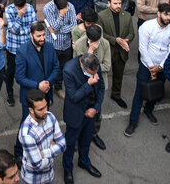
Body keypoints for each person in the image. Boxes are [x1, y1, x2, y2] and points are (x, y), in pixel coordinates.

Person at [125, 3, 170, 136]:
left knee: (156, 90)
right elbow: (143, 48)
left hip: (162, 67)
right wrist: (151, 67)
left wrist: (160, 67)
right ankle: (133, 120)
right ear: (158, 13)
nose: (169, 18)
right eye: (166, 14)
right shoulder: (147, 26)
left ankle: (149, 110)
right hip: (146, 66)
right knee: (139, 94)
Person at [14, 22, 60, 156]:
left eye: (44, 35)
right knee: (26, 126)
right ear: (31, 35)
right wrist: (37, 85)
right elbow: (20, 77)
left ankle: (39, 145)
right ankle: (18, 152)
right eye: (38, 36)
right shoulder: (23, 51)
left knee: (42, 121)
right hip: (29, 97)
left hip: (46, 94)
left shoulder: (50, 47)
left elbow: (56, 67)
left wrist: (48, 83)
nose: (42, 38)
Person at [62, 53, 104, 184]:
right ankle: (68, 169)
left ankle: (84, 162)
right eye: (91, 73)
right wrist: (89, 84)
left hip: (91, 113)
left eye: (95, 72)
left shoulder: (95, 64)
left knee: (86, 141)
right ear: (82, 65)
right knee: (70, 144)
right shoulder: (69, 70)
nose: (95, 75)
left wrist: (95, 109)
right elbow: (73, 96)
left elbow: (101, 88)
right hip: (76, 114)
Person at [18, 89, 66, 184]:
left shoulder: (50, 116)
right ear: (31, 110)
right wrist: (54, 149)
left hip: (49, 176)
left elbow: (63, 144)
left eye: (46, 106)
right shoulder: (27, 134)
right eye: (40, 109)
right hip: (33, 180)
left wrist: (43, 153)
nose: (45, 111)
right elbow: (38, 165)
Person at [97, 0, 135, 109]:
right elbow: (100, 34)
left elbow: (131, 33)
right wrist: (116, 40)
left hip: (121, 52)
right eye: (115, 3)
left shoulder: (127, 15)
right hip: (107, 52)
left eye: (120, 3)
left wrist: (126, 40)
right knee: (101, 75)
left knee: (118, 76)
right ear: (109, 3)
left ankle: (116, 95)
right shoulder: (101, 16)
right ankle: (97, 96)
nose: (118, 6)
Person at [5, 0, 38, 107]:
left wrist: (19, 31)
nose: (20, 10)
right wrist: (19, 16)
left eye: (22, 8)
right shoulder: (9, 10)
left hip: (27, 47)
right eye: (18, 8)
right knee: (10, 72)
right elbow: (14, 30)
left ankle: (30, 94)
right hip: (13, 48)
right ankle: (10, 93)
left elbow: (34, 27)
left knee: (29, 71)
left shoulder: (30, 8)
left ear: (25, 4)